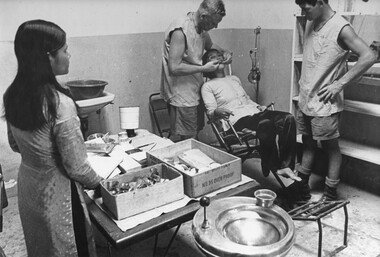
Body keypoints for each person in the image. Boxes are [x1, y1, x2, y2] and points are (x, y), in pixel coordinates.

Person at [3, 20, 103, 257]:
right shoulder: (59, 104)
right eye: (65, 50)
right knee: (67, 247)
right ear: (49, 57)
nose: (69, 55)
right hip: (58, 194)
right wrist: (100, 184)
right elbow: (77, 167)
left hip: (29, 188)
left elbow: (15, 144)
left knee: (41, 247)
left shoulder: (12, 94)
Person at [294, 0, 376, 201]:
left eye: (306, 6)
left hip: (325, 103)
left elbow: (369, 55)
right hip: (306, 99)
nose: (303, 11)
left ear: (321, 2)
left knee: (331, 148)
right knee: (308, 143)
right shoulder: (310, 20)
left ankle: (330, 194)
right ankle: (302, 186)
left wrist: (339, 84)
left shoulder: (341, 27)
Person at [201, 49, 301, 182]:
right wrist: (217, 112)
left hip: (256, 113)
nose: (217, 58)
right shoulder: (207, 86)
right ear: (207, 65)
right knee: (265, 124)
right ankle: (271, 162)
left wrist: (258, 106)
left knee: (288, 118)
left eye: (219, 55)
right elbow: (210, 112)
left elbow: (246, 99)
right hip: (237, 120)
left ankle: (285, 165)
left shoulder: (234, 78)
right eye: (212, 57)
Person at [160, 0, 232, 141]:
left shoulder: (202, 29)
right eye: (213, 23)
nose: (215, 26)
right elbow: (174, 67)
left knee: (194, 132)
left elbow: (211, 45)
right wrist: (203, 68)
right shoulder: (181, 31)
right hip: (181, 93)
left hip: (195, 89)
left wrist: (225, 51)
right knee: (185, 137)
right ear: (203, 15)